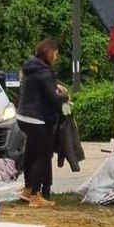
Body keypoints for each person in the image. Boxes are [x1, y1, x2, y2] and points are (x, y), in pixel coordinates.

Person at [16, 39, 68, 207]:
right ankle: (36, 195)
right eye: (56, 54)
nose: (57, 57)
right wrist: (65, 97)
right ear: (49, 53)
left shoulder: (31, 68)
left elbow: (39, 88)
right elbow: (53, 99)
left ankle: (27, 188)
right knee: (43, 155)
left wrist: (55, 87)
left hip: (23, 116)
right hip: (37, 118)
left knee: (31, 152)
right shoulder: (45, 72)